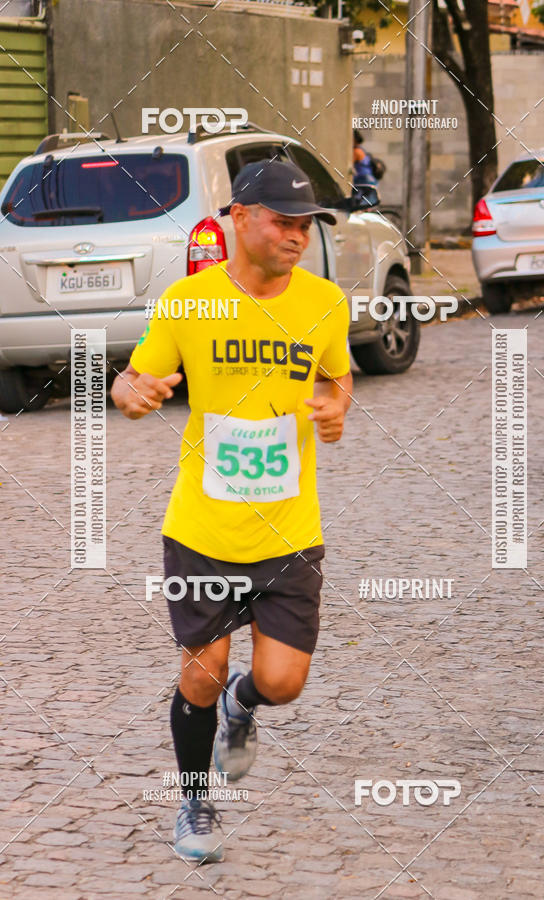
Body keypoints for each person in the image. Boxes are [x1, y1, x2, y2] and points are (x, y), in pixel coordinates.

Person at [111, 159, 352, 863]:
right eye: (282, 221)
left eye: (306, 225)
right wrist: (132, 393)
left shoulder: (324, 302)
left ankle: (242, 709)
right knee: (200, 672)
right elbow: (134, 376)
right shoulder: (188, 302)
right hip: (203, 527)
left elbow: (337, 376)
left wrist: (336, 406)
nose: (297, 237)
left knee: (282, 681)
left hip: (290, 530)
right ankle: (194, 801)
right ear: (238, 219)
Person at [352, 128, 379, 208]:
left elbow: (349, 164)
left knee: (358, 202)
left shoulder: (356, 151)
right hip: (369, 179)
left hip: (363, 180)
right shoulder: (361, 150)